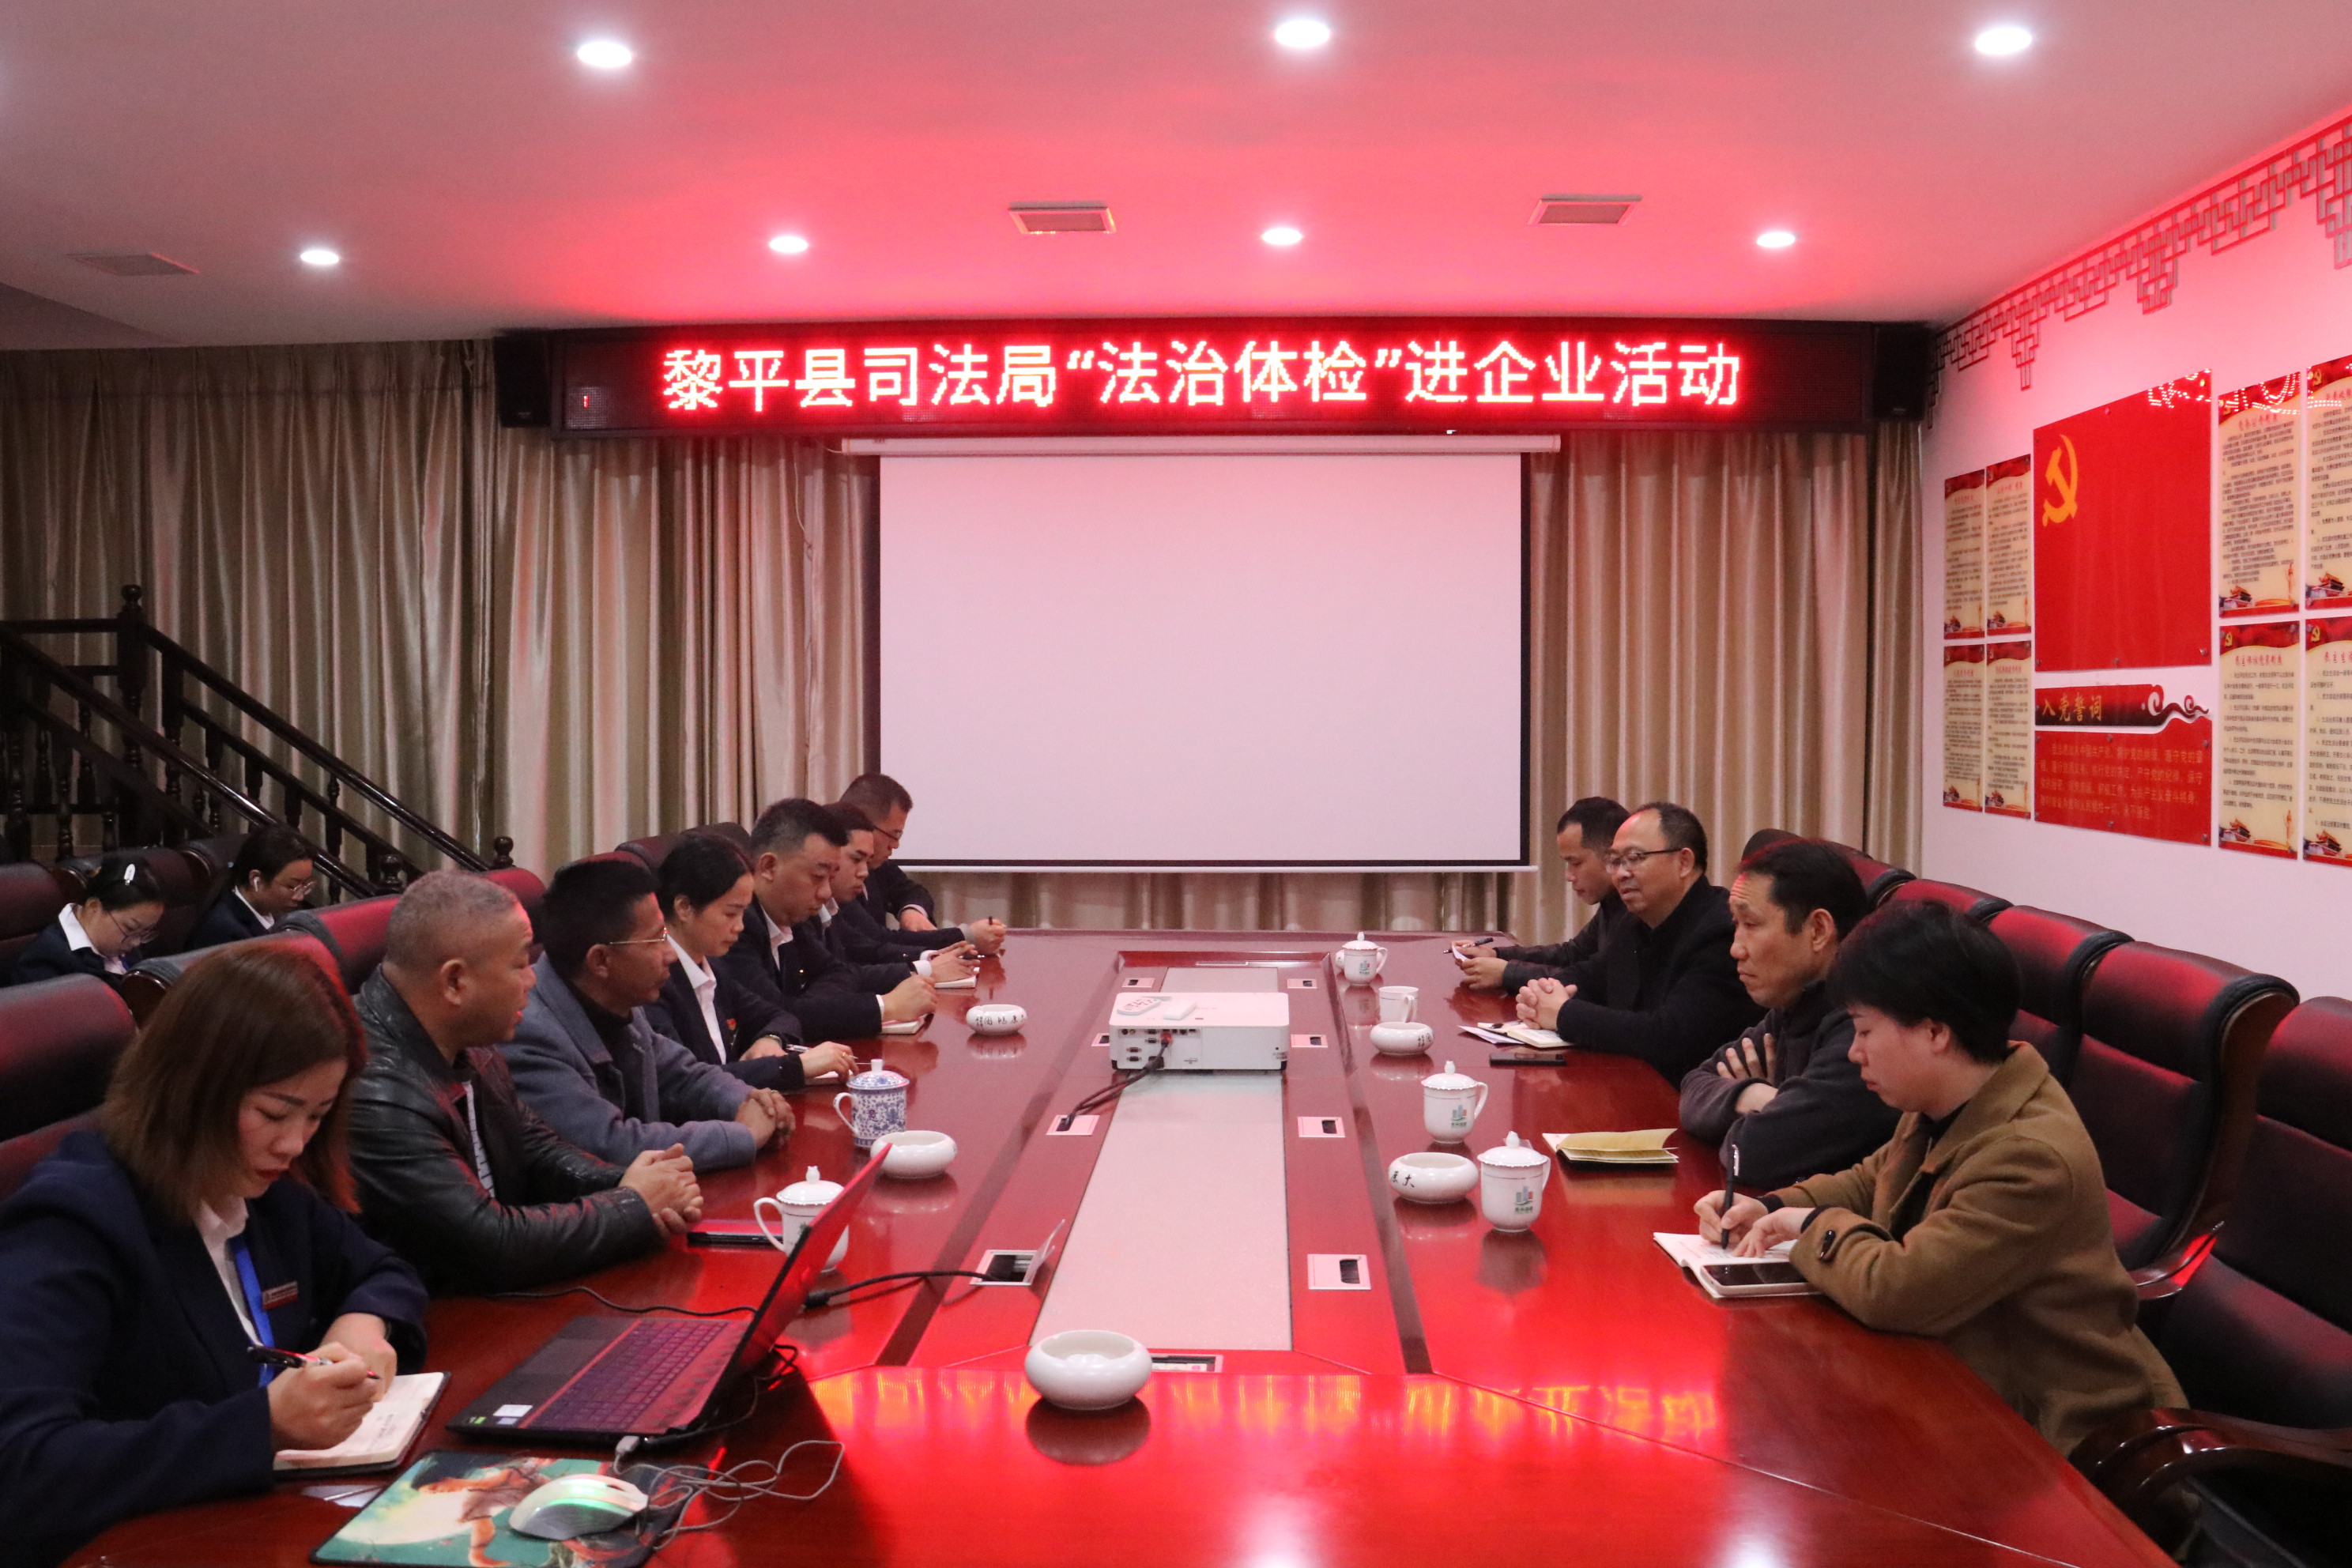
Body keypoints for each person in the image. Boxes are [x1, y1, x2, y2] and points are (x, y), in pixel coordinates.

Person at [1697, 900, 2184, 1456]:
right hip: (1950, 1379)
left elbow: (1895, 1290)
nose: (1853, 1052)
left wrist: (1810, 1225)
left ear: (1934, 1031)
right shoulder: (1947, 1096)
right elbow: (1870, 1181)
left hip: (2048, 1439)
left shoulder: (2028, 1158)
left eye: (1864, 1030)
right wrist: (1769, 1207)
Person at [0, 942, 428, 1566]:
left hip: (260, 1523)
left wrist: (363, 1326)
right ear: (193, 1087)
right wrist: (264, 1424)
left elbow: (383, 1269)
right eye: (275, 1113)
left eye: (317, 1116)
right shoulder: (74, 1222)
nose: (294, 1144)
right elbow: (22, 1465)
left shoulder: (266, 1189)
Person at [346, 871, 701, 1295]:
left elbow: (538, 1151)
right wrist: (634, 1205)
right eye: (519, 965)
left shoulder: (469, 1037)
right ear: (455, 982)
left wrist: (642, 1183)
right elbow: (489, 1244)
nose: (533, 979)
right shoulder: (378, 1088)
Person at [502, 858, 792, 1171]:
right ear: (600, 960)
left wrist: (752, 1101)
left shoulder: (618, 999)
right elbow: (611, 1145)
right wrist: (744, 1135)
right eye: (656, 939)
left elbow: (684, 1075)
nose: (670, 954)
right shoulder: (528, 1032)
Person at [1676, 838, 1896, 1191]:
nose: (1735, 948)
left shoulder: (1862, 1031)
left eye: (1751, 924)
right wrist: (1757, 1096)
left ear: (1818, 930)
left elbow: (1749, 1153)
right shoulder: (1796, 1003)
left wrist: (1755, 1111)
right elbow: (1693, 1086)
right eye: (1735, 924)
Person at [1513, 801, 1761, 1081]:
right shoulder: (1635, 921)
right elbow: (1592, 975)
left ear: (1684, 862)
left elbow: (1669, 1037)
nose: (1621, 873)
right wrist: (1541, 994)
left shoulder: (1721, 931)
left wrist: (1563, 1014)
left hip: (1694, 1095)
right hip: (1633, 1082)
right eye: (1615, 861)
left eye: (1634, 858)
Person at [646, 833, 858, 1091]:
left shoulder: (712, 967)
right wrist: (794, 1067)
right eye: (730, 913)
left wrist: (771, 1039)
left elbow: (780, 1015)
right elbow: (687, 1081)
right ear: (684, 908)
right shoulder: (653, 983)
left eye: (743, 913)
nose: (740, 926)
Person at [716, 797, 934, 1042]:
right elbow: (775, 1014)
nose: (826, 893)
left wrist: (806, 1005)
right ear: (768, 866)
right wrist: (886, 1006)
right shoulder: (735, 926)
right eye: (818, 877)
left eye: (830, 878)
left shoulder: (790, 914)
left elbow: (836, 971)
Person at [1455, 797, 1629, 993]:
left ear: (1612, 856)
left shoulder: (1637, 911)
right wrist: (1497, 955)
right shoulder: (1612, 902)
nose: (1568, 876)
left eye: (1576, 863)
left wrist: (1507, 973)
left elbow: (1595, 982)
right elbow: (1572, 954)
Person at [835, 775, 1007, 952]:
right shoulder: (837, 878)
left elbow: (912, 891)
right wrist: (966, 936)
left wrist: (912, 911)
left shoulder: (876, 865)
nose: (896, 845)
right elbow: (877, 940)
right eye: (894, 835)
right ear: (863, 824)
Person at [827, 804, 987, 973]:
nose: (864, 872)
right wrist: (962, 938)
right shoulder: (819, 909)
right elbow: (869, 949)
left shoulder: (875, 869)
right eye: (856, 859)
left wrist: (929, 957)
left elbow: (867, 949)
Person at [9, 853, 167, 986]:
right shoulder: (45, 960)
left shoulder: (126, 949)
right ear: (94, 907)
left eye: (145, 933)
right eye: (130, 929)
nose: (136, 943)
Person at [187, 824, 317, 949]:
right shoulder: (226, 931)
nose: (300, 897)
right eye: (292, 886)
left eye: (305, 885)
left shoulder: (280, 913)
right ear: (256, 880)